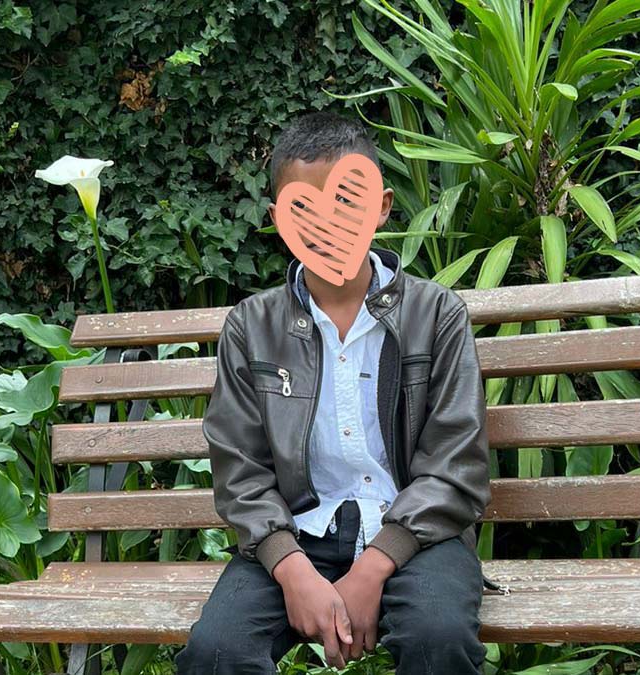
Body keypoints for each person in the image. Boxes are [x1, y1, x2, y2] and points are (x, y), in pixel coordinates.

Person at [175, 111, 491, 675]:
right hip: (296, 534)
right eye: (305, 210)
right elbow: (240, 468)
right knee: (217, 652)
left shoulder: (437, 315)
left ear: (383, 206)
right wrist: (291, 568)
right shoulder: (252, 327)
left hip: (417, 534)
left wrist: (374, 566)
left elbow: (454, 465)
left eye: (348, 203)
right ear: (278, 219)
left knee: (438, 638)